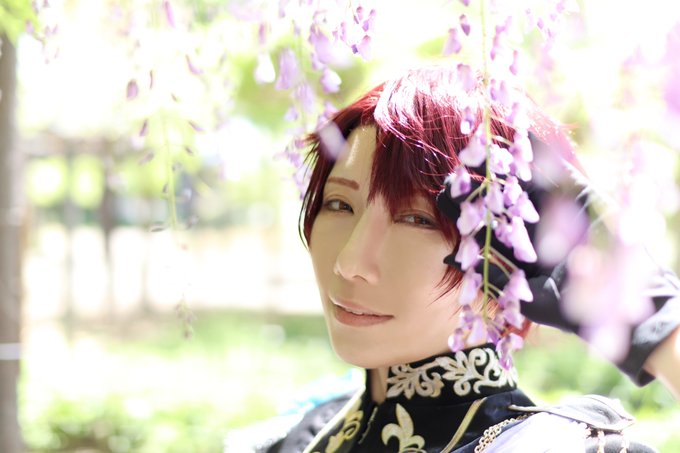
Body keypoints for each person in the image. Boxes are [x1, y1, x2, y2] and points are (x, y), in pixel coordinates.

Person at [252, 65, 680, 453]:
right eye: (339, 205)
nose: (350, 263)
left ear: (512, 247)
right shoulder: (292, 440)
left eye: (417, 218)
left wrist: (656, 322)